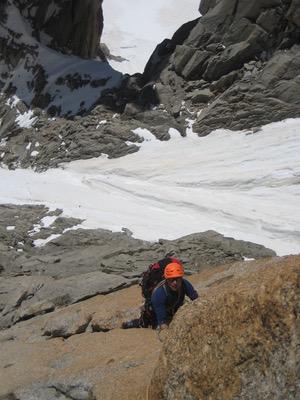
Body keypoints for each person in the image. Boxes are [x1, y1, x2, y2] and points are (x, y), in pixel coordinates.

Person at [151, 262, 198, 330]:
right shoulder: (159, 294)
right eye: (171, 279)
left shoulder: (185, 284)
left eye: (177, 279)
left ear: (181, 278)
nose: (175, 283)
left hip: (175, 310)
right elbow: (163, 324)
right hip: (156, 315)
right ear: (166, 279)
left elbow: (197, 300)